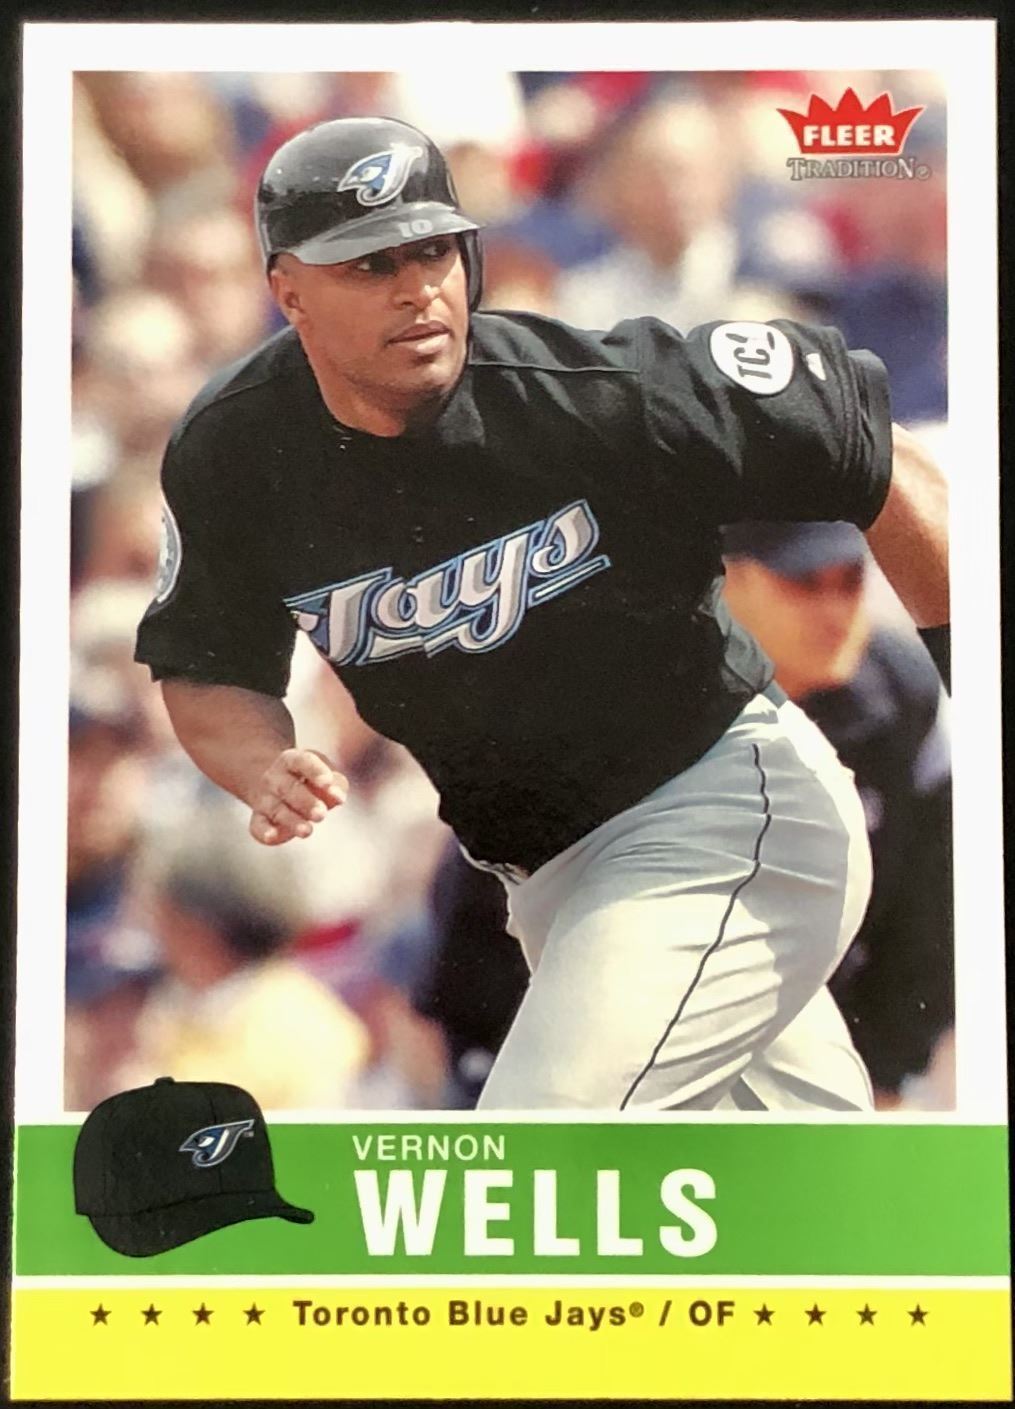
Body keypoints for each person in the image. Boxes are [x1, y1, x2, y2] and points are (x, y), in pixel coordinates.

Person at [135, 115, 949, 1112]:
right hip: (552, 883)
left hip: (718, 811)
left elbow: (875, 447)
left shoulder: (588, 392)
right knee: (797, 1185)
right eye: (369, 264)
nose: (415, 287)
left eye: (433, 250)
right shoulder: (234, 449)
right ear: (288, 290)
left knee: (536, 1143)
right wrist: (261, 761)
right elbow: (207, 664)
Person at [721, 522, 954, 1107]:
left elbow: (930, 920)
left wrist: (886, 1079)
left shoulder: (904, 693)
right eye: (803, 583)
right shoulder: (650, 702)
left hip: (837, 1050)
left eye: (850, 581)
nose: (835, 612)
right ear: (728, 582)